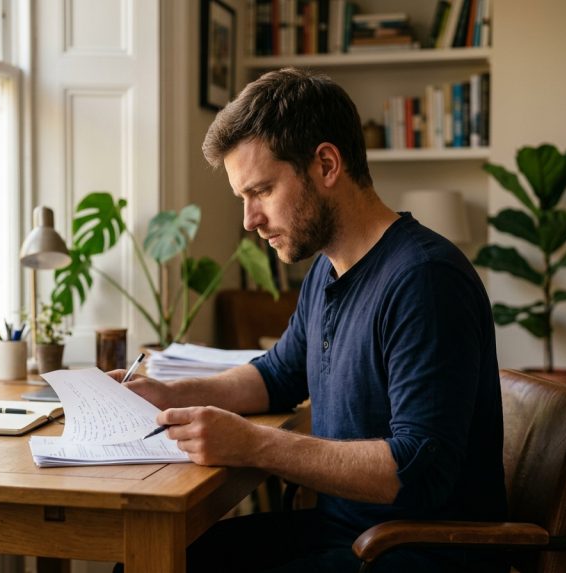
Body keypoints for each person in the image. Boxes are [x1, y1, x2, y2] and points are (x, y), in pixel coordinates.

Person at [112, 68, 507, 572]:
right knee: (145, 562)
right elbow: (277, 376)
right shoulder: (327, 269)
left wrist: (254, 445)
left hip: (416, 551)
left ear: (326, 164)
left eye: (262, 191)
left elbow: (418, 470)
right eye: (243, 198)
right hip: (345, 532)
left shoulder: (425, 279)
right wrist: (169, 395)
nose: (250, 220)